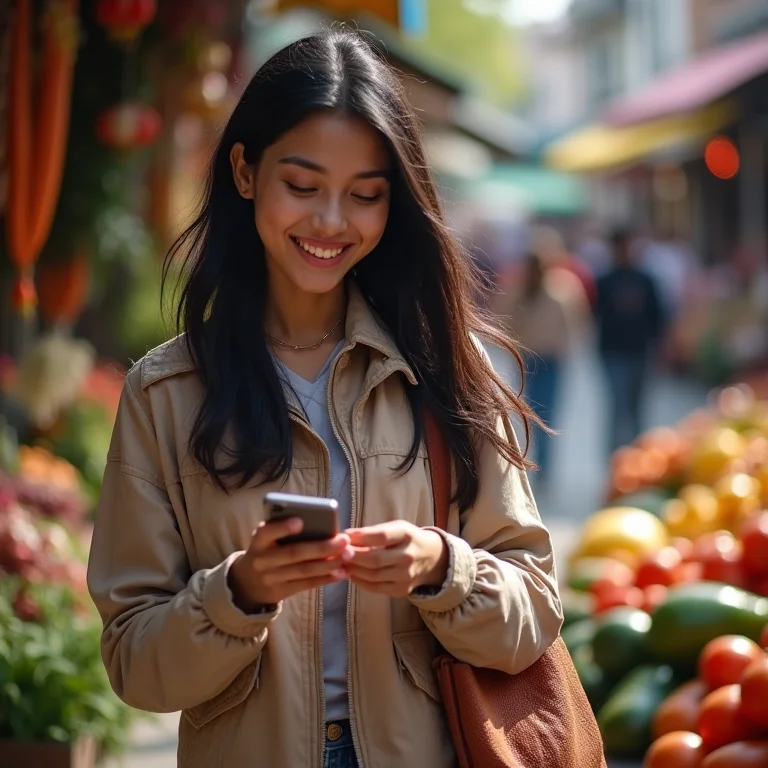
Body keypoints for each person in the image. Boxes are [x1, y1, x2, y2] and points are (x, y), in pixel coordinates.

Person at [86, 29, 563, 768]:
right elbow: (134, 664)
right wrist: (238, 591)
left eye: (364, 196)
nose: (331, 222)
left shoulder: (442, 369)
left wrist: (443, 567)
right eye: (303, 186)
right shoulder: (164, 393)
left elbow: (534, 612)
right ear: (246, 172)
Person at [497, 252, 578, 482]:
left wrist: (565, 352)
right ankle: (532, 462)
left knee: (547, 414)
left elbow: (570, 327)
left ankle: (544, 466)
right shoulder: (518, 293)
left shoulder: (558, 294)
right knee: (530, 413)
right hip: (528, 361)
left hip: (550, 361)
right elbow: (504, 322)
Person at [595, 228, 665, 452]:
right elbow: (593, 314)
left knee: (637, 407)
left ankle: (639, 455)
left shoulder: (645, 280)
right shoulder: (605, 280)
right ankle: (615, 457)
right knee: (618, 405)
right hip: (613, 352)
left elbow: (657, 316)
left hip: (640, 351)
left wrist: (661, 347)